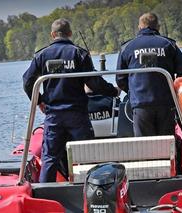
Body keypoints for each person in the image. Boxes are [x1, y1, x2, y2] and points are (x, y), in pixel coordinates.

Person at [23, 18, 119, 182]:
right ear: (70, 34)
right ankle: (92, 190)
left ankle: (46, 197)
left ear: (52, 34)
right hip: (78, 115)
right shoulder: (79, 53)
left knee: (50, 158)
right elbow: (94, 82)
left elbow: (27, 81)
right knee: (88, 155)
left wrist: (39, 101)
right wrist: (113, 91)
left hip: (53, 115)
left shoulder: (42, 55)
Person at [116, 12, 182, 137]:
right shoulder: (169, 45)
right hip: (166, 103)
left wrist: (133, 92)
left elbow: (120, 78)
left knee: (145, 146)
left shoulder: (127, 47)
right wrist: (175, 93)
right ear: (158, 27)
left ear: (140, 27)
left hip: (140, 104)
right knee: (167, 145)